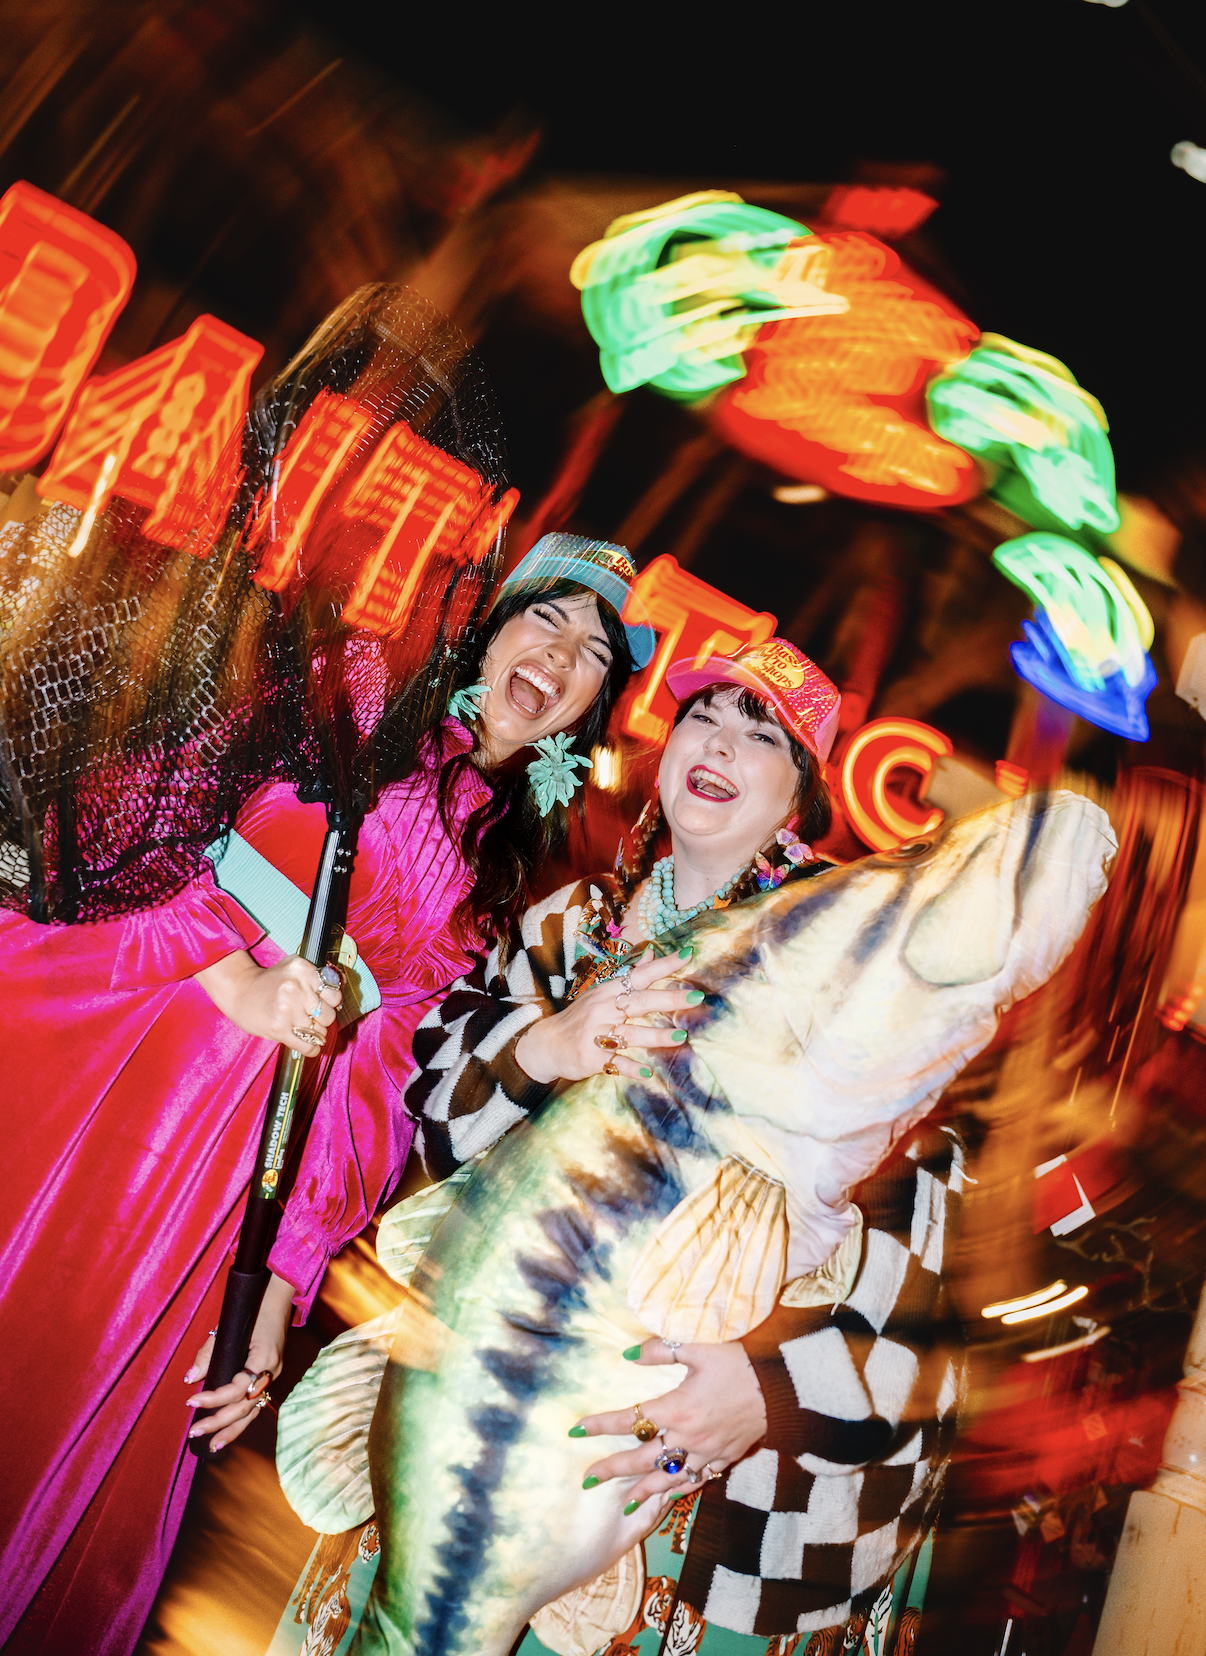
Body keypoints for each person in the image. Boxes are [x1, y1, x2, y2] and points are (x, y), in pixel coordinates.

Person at [0, 451, 652, 1656]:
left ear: (586, 715)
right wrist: (230, 976)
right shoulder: (352, 690)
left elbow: (370, 1096)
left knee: (87, 1430)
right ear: (490, 629)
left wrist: (278, 1291)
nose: (560, 658)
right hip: (120, 1040)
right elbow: (132, 803)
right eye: (547, 620)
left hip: (216, 1172)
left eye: (593, 659)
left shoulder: (495, 875)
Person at [398, 640, 965, 1653]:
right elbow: (434, 1116)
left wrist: (764, 1392)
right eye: (707, 714)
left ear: (799, 799)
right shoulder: (572, 927)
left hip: (705, 1499)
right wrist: (548, 1045)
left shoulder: (833, 964)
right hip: (490, 1425)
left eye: (765, 738)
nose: (722, 747)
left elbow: (918, 1257)